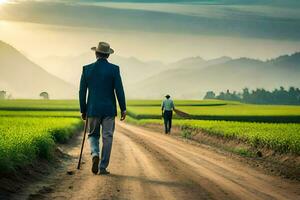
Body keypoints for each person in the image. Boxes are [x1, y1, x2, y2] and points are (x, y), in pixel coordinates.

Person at [79, 42, 126, 175]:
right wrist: (123, 108)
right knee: (107, 136)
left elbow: (82, 92)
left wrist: (83, 109)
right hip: (109, 109)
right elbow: (119, 90)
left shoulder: (86, 69)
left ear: (96, 53)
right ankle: (103, 167)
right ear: (108, 55)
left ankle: (95, 154)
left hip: (92, 108)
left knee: (93, 135)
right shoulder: (114, 69)